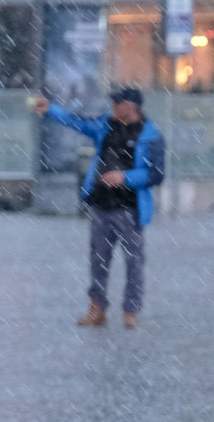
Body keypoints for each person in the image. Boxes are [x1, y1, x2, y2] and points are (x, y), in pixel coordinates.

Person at [32, 87, 166, 328]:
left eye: (118, 103)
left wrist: (125, 177)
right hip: (101, 206)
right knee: (98, 261)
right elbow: (78, 123)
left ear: (131, 106)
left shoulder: (151, 135)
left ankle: (131, 311)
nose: (113, 107)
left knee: (134, 262)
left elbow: (156, 174)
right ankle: (97, 308)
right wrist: (51, 110)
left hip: (130, 208)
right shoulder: (106, 125)